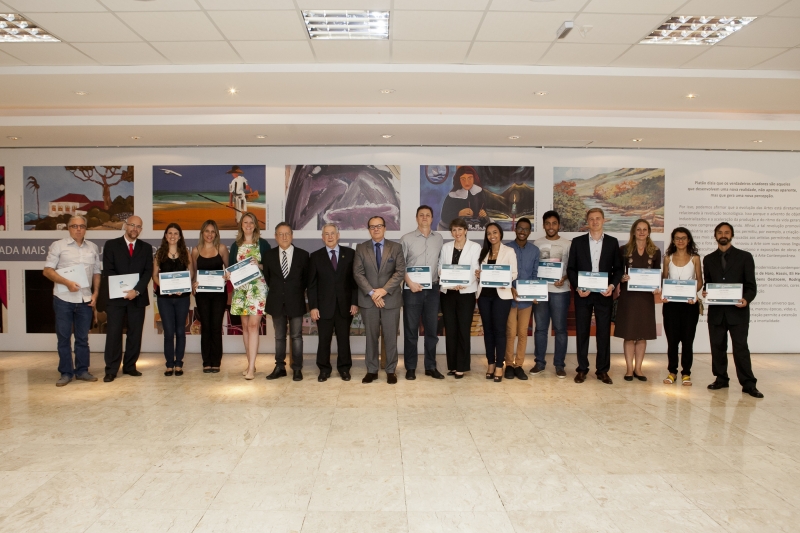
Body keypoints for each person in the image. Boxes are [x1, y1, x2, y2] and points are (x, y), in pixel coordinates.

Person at [702, 222, 762, 398]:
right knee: (717, 347)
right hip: (716, 313)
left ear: (732, 235)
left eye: (726, 232)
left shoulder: (745, 257)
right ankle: (721, 379)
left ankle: (749, 384)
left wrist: (746, 299)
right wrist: (706, 290)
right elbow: (708, 283)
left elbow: (751, 286)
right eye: (720, 232)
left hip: (738, 312)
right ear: (715, 236)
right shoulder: (708, 259)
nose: (723, 235)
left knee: (741, 348)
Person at [43, 215, 102, 387]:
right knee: (63, 338)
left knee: (82, 338)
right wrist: (66, 282)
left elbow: (97, 272)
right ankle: (66, 373)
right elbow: (47, 271)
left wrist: (96, 293)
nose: (78, 229)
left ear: (86, 228)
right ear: (68, 228)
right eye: (75, 226)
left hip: (85, 300)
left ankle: (83, 370)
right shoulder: (58, 246)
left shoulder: (92, 247)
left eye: (82, 226)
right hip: (64, 299)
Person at [567, 208, 623, 385]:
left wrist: (612, 286)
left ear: (603, 220)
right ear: (587, 222)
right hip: (583, 294)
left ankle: (602, 370)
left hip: (603, 294)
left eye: (598, 218)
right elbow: (571, 269)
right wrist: (577, 287)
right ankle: (582, 369)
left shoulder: (613, 243)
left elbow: (618, 269)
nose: (595, 221)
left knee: (603, 333)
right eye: (591, 219)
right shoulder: (577, 242)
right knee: (582, 331)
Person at [353, 216, 406, 384]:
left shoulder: (396, 247)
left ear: (384, 228)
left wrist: (383, 291)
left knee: (391, 337)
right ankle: (372, 370)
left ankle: (391, 370)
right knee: (371, 337)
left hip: (390, 300)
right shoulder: (361, 248)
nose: (376, 229)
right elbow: (358, 273)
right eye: (372, 227)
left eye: (379, 226)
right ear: (368, 229)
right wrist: (372, 293)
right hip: (369, 301)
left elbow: (400, 271)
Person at [102, 215, 154, 382]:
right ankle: (111, 369)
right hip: (116, 299)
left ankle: (130, 366)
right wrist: (122, 289)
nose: (135, 229)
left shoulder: (146, 248)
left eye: (138, 226)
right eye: (132, 225)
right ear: (125, 226)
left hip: (137, 298)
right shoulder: (111, 245)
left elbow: (147, 273)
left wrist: (136, 291)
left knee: (135, 333)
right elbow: (108, 270)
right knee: (113, 334)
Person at [308, 223, 358, 382]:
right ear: (322, 238)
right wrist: (313, 306)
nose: (330, 236)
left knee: (344, 339)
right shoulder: (315, 256)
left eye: (332, 233)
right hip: (323, 307)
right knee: (324, 340)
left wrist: (354, 302)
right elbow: (312, 284)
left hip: (345, 306)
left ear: (338, 235)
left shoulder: (350, 254)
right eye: (326, 234)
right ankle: (324, 369)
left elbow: (355, 281)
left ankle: (344, 369)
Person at [614, 219, 661, 382]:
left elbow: (657, 273)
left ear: (649, 232)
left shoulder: (655, 251)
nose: (641, 232)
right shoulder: (624, 250)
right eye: (638, 229)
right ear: (633, 231)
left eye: (645, 229)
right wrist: (622, 277)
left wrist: (657, 286)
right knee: (629, 334)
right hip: (629, 296)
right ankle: (628, 369)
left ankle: (638, 369)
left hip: (646, 298)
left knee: (642, 335)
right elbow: (617, 271)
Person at [401, 205, 445, 380]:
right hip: (412, 289)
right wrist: (409, 283)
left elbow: (442, 262)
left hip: (433, 289)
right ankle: (410, 367)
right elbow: (400, 265)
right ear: (416, 218)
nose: (425, 217)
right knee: (411, 330)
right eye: (421, 215)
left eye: (428, 215)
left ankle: (431, 366)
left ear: (432, 218)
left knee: (432, 331)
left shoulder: (439, 238)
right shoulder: (406, 239)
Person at [263, 222, 309, 382]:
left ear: (292, 235)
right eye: (280, 234)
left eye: (287, 234)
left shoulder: (303, 255)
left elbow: (305, 280)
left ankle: (297, 368)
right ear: (276, 237)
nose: (284, 237)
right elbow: (269, 279)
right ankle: (279, 367)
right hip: (276, 302)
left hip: (295, 301)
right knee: (279, 337)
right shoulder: (268, 256)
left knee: (296, 336)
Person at [228, 211, 270, 380]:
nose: (248, 225)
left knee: (253, 326)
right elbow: (230, 268)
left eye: (251, 222)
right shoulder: (235, 245)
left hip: (258, 289)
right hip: (240, 290)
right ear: (241, 225)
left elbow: (270, 266)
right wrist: (228, 275)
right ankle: (249, 363)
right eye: (245, 222)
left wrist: (259, 264)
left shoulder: (263, 244)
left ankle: (251, 367)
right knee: (245, 328)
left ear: (255, 225)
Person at [439, 217, 481, 378]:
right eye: (454, 230)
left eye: (460, 229)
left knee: (463, 329)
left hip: (466, 293)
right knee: (451, 329)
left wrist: (462, 283)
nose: (457, 233)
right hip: (448, 293)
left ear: (466, 230)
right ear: (451, 232)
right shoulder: (446, 247)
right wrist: (450, 282)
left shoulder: (475, 247)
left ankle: (462, 366)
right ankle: (452, 365)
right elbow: (440, 267)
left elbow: (475, 269)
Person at [475, 223, 518, 382]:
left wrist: (505, 280)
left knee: (500, 330)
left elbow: (514, 273)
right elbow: (480, 274)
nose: (492, 236)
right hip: (484, 296)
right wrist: (478, 274)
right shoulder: (484, 252)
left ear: (500, 234)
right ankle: (491, 364)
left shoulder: (509, 251)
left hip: (502, 296)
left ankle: (500, 365)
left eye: (495, 232)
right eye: (488, 233)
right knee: (488, 330)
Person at [531, 210, 571, 378]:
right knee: (540, 329)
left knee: (560, 329)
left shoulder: (568, 244)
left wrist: (564, 277)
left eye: (554, 223)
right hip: (541, 291)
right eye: (548, 223)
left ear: (559, 225)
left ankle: (559, 365)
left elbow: (571, 267)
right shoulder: (536, 243)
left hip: (560, 291)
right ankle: (539, 363)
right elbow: (533, 267)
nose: (551, 226)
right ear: (543, 225)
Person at [661, 227, 702, 386]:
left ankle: (686, 373)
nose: (680, 241)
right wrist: (664, 294)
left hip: (689, 305)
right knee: (672, 341)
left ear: (689, 240)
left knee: (687, 340)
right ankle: (672, 372)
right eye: (677, 238)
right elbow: (665, 280)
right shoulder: (667, 259)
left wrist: (693, 293)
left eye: (683, 238)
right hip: (671, 306)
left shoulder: (695, 258)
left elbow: (700, 280)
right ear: (673, 240)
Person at [152, 223, 194, 377]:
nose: (172, 236)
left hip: (182, 298)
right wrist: (164, 287)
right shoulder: (159, 254)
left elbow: (191, 273)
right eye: (170, 233)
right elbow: (155, 275)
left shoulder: (186, 253)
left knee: (180, 331)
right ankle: (169, 364)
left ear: (180, 236)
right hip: (164, 299)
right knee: (168, 332)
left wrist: (183, 287)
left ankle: (179, 363)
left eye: (176, 233)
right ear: (165, 236)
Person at [192, 220, 230, 374]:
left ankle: (216, 361)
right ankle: (206, 361)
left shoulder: (221, 249)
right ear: (202, 233)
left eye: (212, 231)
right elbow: (194, 274)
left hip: (219, 295)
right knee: (206, 326)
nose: (209, 234)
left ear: (216, 234)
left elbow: (228, 270)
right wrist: (193, 283)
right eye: (207, 231)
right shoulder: (195, 251)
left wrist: (227, 276)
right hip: (202, 295)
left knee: (216, 326)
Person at [505, 217, 539, 380]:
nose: (522, 231)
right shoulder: (507, 248)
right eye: (520, 228)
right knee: (510, 333)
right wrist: (510, 288)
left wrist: (535, 293)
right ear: (515, 229)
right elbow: (504, 273)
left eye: (526, 229)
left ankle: (519, 366)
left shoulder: (534, 251)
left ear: (529, 232)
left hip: (526, 301)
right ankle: (509, 365)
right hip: (509, 299)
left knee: (523, 334)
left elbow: (535, 275)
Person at [439, 166, 488, 230]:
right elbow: (444, 217)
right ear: (459, 180)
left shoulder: (479, 192)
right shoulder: (452, 195)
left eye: (470, 178)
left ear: (474, 178)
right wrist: (458, 213)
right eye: (463, 179)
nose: (467, 182)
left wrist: (484, 213)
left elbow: (484, 208)